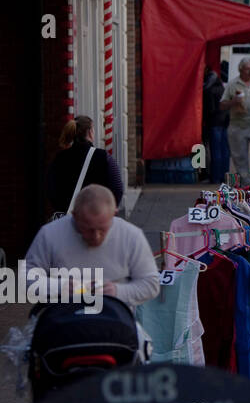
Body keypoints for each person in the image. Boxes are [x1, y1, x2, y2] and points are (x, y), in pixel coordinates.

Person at [26, 185, 160, 306]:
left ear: (114, 214)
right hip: (62, 318)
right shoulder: (50, 234)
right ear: (75, 216)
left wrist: (117, 291)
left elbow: (151, 284)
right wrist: (60, 287)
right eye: (88, 229)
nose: (96, 236)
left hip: (115, 320)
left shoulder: (131, 235)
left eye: (102, 229)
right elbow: (26, 277)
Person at [46, 115, 125, 215]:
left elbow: (50, 188)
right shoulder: (103, 157)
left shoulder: (59, 158)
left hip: (67, 219)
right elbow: (117, 189)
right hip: (96, 217)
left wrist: (62, 207)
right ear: (91, 132)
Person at [202, 67, 231, 185]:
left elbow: (210, 110)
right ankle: (224, 177)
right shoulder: (223, 88)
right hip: (224, 122)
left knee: (216, 152)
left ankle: (215, 178)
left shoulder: (209, 90)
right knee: (225, 151)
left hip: (214, 123)